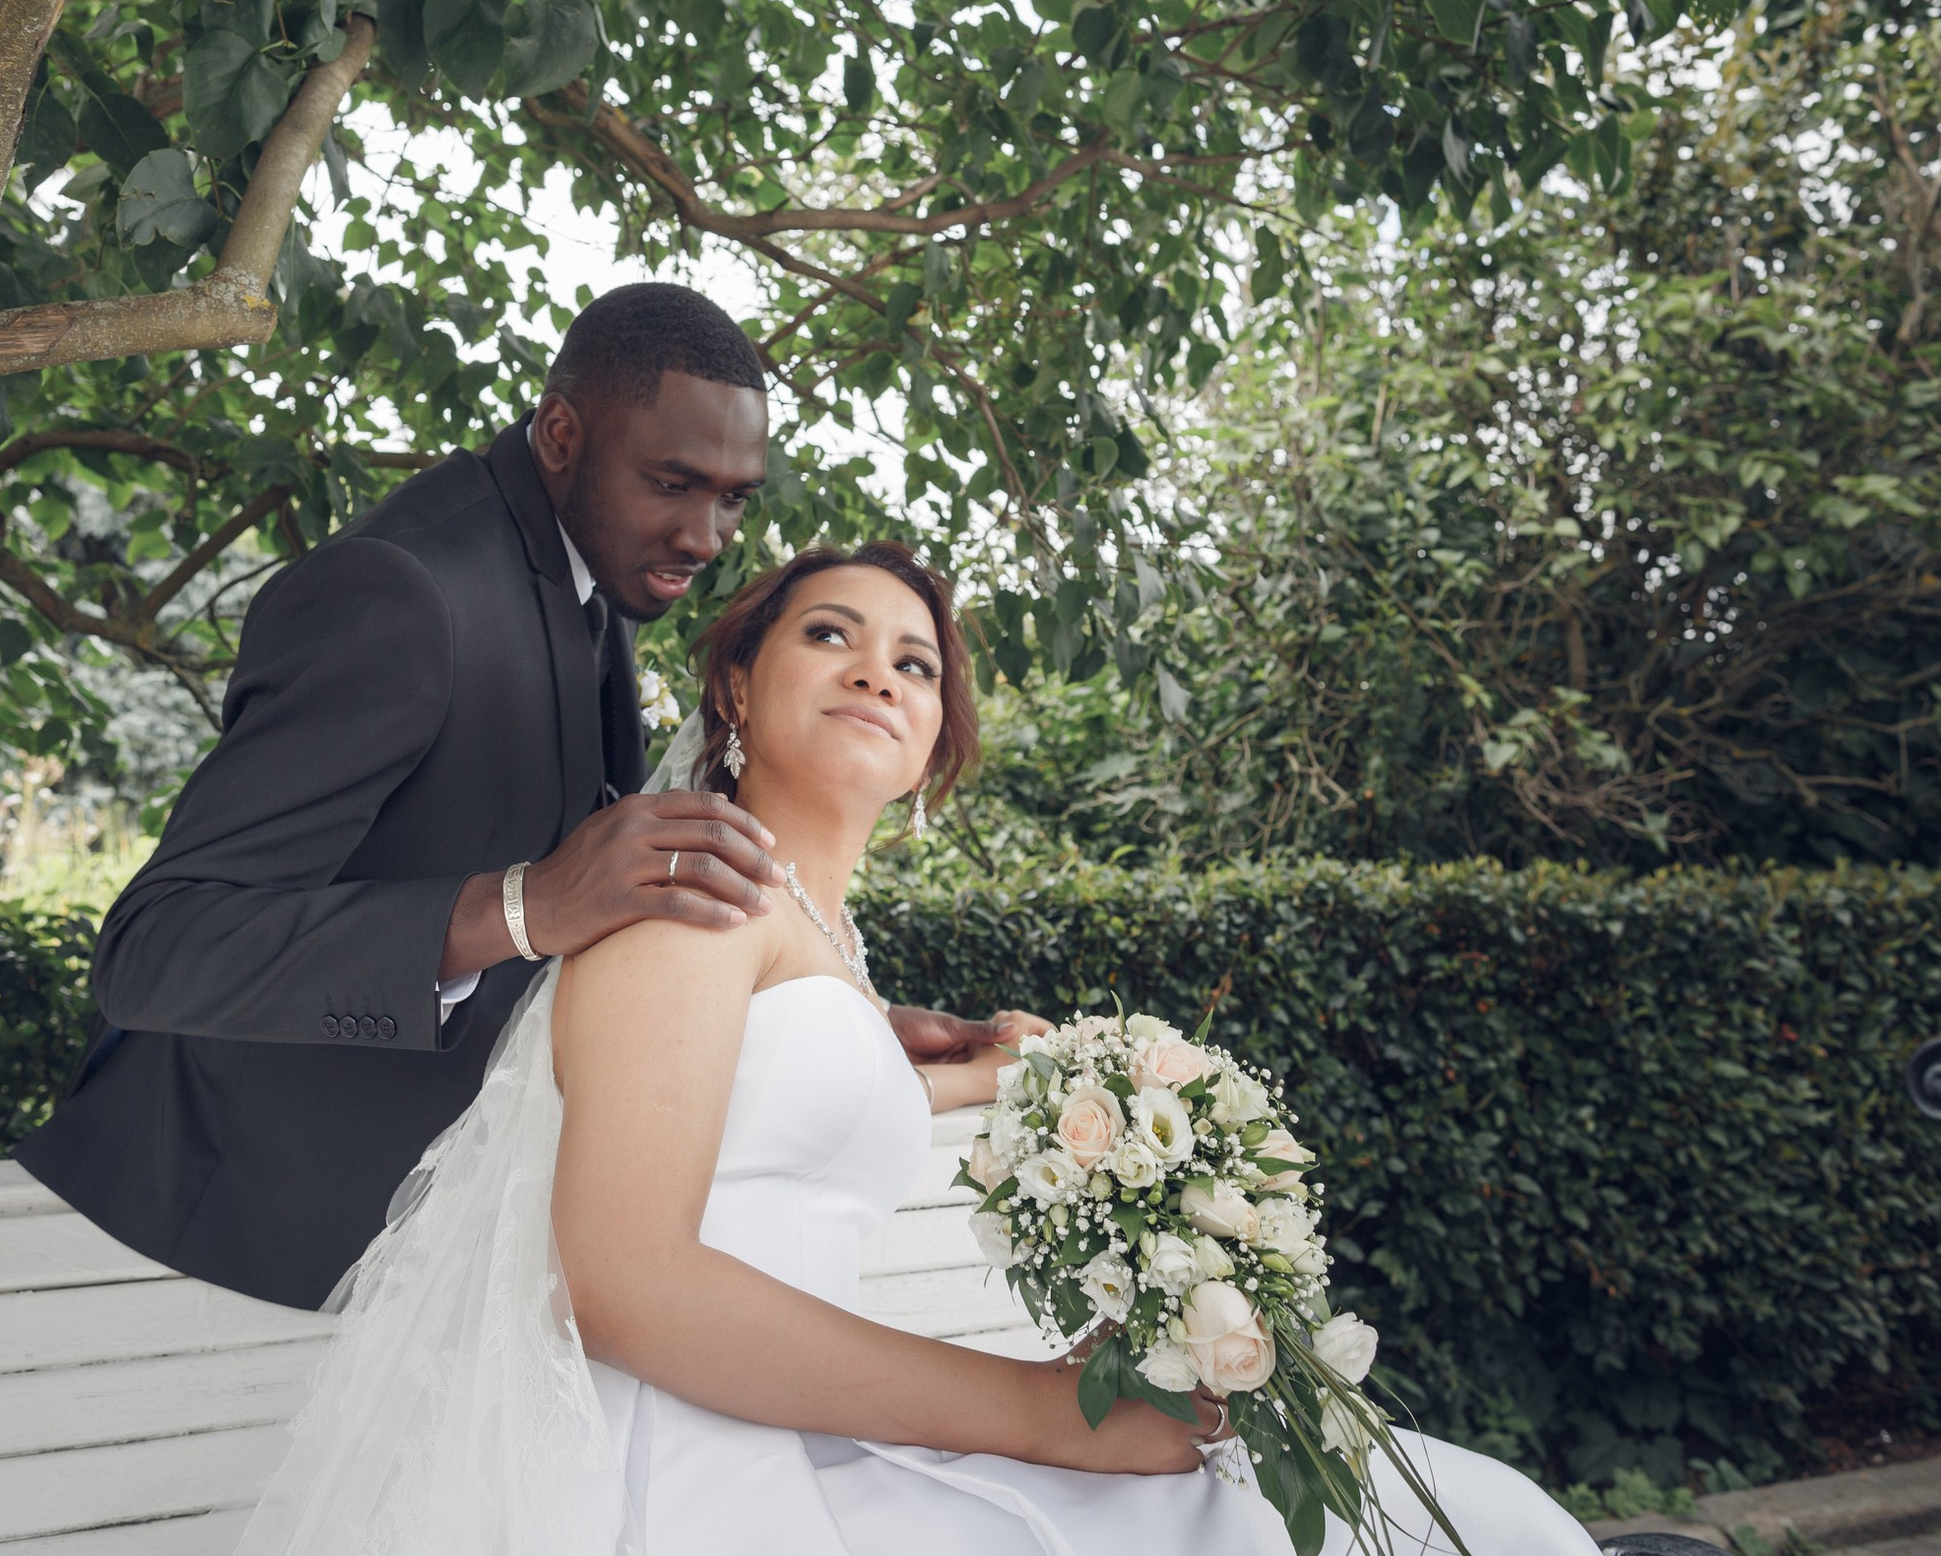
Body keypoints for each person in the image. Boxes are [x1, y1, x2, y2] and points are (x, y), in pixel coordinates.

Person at [233, 542, 1602, 1555]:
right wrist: (1040, 1410)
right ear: (735, 680)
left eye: (915, 660)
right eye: (829, 633)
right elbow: (627, 1284)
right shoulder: (694, 892)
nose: (878, 670)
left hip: (801, 1426)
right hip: (696, 1470)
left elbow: (767, 1110)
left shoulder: (809, 928)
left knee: (1456, 1513)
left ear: (938, 733)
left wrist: (1015, 1071)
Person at [14, 284, 1026, 1312]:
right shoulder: (402, 591)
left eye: (733, 496)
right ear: (560, 433)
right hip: (219, 1239)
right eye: (674, 483)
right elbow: (156, 948)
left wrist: (812, 1025)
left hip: (445, 1260)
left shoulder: (591, 571)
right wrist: (519, 904)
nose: (706, 535)